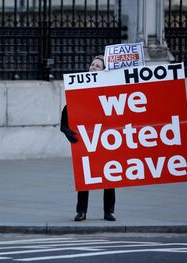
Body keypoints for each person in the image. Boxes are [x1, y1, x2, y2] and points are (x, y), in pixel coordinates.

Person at [61, 55, 116, 222]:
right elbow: (67, 111)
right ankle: (81, 211)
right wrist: (66, 130)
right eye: (92, 64)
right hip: (86, 138)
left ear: (104, 71)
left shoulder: (110, 89)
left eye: (98, 66)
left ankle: (109, 211)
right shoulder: (79, 87)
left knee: (109, 174)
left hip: (106, 137)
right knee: (85, 175)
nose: (93, 67)